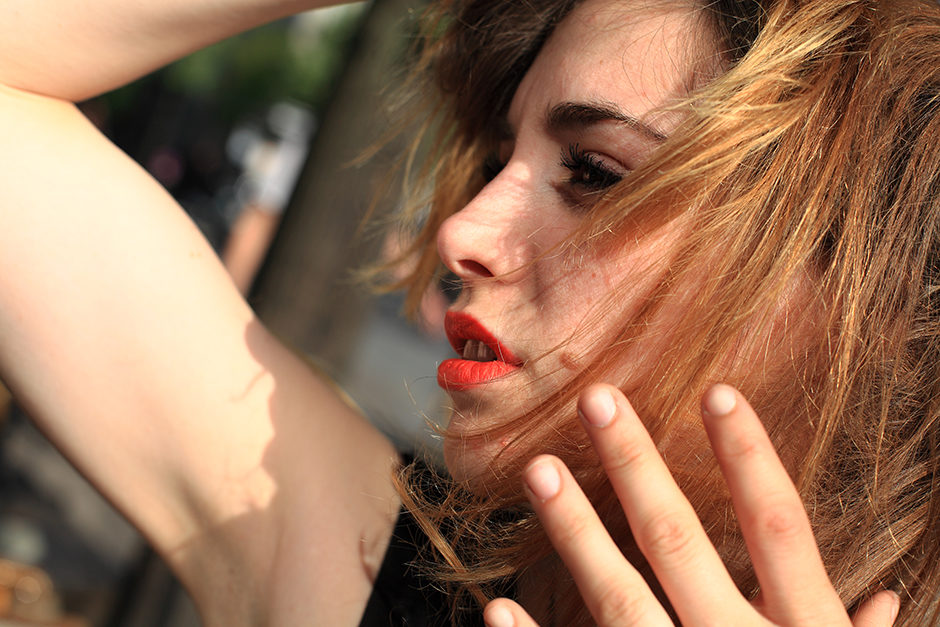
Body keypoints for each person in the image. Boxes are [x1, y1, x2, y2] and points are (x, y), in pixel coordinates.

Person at [0, 0, 936, 625]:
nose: (461, 232)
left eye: (593, 172)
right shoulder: (377, 569)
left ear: (876, 291)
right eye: (497, 161)